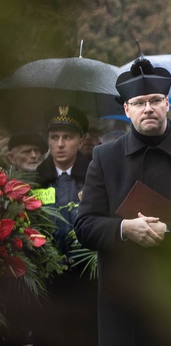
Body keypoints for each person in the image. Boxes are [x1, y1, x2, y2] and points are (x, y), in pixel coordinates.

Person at [74, 58, 171, 346]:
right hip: (122, 305)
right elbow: (84, 225)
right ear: (126, 108)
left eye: (156, 100)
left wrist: (168, 232)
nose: (148, 108)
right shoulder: (105, 157)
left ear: (167, 104)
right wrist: (125, 229)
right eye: (139, 102)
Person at [34, 105, 97, 346]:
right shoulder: (34, 182)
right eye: (54, 137)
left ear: (81, 141)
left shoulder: (94, 177)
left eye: (67, 137)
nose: (60, 144)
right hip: (47, 280)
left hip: (87, 280)